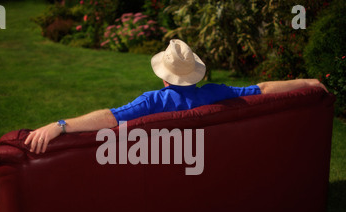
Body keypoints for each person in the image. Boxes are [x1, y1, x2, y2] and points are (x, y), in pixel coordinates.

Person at [25, 39, 328, 154]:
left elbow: (109, 118)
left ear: (163, 75)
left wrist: (60, 125)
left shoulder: (152, 102)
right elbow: (262, 90)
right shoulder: (217, 93)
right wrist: (307, 81)